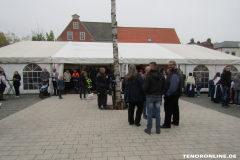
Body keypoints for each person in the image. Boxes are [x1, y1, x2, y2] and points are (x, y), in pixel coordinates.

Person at [142, 62, 165, 134]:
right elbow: (164, 86)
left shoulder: (149, 76)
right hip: (158, 96)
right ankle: (158, 129)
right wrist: (160, 92)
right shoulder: (161, 75)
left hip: (150, 96)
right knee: (158, 113)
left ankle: (149, 129)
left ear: (151, 67)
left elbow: (145, 87)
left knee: (150, 113)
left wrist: (144, 91)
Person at [161, 61, 181, 129]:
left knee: (168, 109)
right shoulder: (176, 72)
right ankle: (175, 121)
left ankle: (167, 124)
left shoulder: (175, 74)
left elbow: (173, 86)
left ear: (174, 65)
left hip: (172, 94)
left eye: (171, 65)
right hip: (175, 94)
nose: (169, 66)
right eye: (169, 65)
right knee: (175, 107)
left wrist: (168, 93)